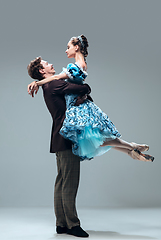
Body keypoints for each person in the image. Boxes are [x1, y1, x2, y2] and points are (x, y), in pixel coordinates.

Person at [28, 35, 154, 163]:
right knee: (95, 139)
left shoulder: (74, 66)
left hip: (78, 106)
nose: (66, 50)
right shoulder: (78, 66)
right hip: (77, 104)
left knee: (96, 138)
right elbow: (62, 81)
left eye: (68, 47)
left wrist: (38, 83)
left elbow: (58, 79)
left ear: (76, 47)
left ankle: (131, 147)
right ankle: (130, 151)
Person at [27, 57, 90, 237]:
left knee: (61, 181)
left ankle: (61, 224)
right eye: (46, 64)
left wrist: (40, 82)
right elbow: (83, 87)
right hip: (67, 137)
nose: (51, 64)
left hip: (58, 137)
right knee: (69, 182)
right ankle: (73, 225)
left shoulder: (48, 85)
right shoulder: (55, 85)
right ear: (41, 71)